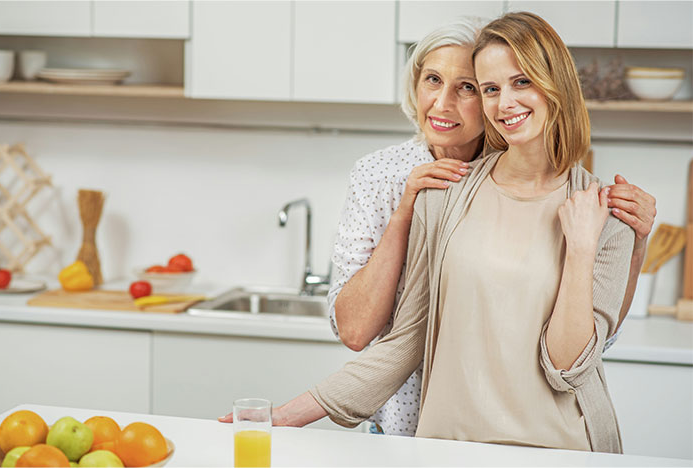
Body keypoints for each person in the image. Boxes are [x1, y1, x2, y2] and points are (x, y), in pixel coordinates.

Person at [218, 18, 656, 439]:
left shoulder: (603, 210)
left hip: (564, 447)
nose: (505, 103)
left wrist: (593, 247)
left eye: (521, 81)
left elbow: (574, 361)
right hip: (446, 442)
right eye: (490, 88)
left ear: (555, 83)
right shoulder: (441, 196)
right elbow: (401, 341)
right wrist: (285, 415)